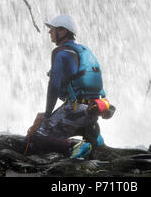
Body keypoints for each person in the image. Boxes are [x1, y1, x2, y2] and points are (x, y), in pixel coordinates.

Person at [25, 14, 114, 159]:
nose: (49, 32)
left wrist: (47, 113)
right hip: (94, 108)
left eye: (52, 29)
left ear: (63, 31)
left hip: (75, 109)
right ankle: (93, 140)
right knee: (89, 140)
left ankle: (74, 146)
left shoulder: (62, 54)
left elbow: (53, 87)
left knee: (35, 137)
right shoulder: (84, 51)